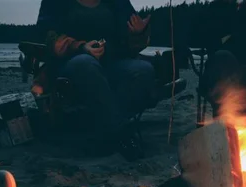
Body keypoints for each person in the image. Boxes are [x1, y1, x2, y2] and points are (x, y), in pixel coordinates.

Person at [35, 0, 156, 161]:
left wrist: (138, 32)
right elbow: (46, 37)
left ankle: (106, 133)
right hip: (70, 66)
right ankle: (119, 133)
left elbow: (130, 43)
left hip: (111, 64)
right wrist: (80, 47)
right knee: (85, 63)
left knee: (143, 70)